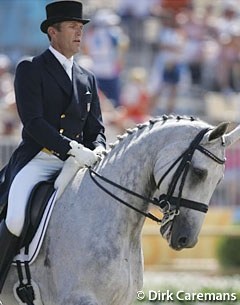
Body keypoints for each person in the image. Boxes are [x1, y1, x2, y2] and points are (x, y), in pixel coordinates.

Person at [0, 0, 106, 292]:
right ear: (52, 32)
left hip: (79, 163)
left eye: (81, 27)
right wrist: (70, 147)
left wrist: (97, 148)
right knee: (17, 217)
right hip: (40, 158)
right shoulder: (30, 69)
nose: (79, 32)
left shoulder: (87, 77)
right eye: (72, 26)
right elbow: (33, 123)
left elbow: (96, 128)